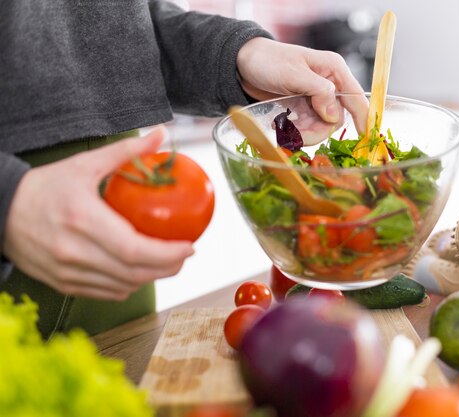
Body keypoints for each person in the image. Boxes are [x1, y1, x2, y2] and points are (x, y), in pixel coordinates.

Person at [0, 0, 367, 339]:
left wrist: (241, 54)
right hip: (21, 209)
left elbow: (118, 20)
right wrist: (8, 196)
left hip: (126, 203)